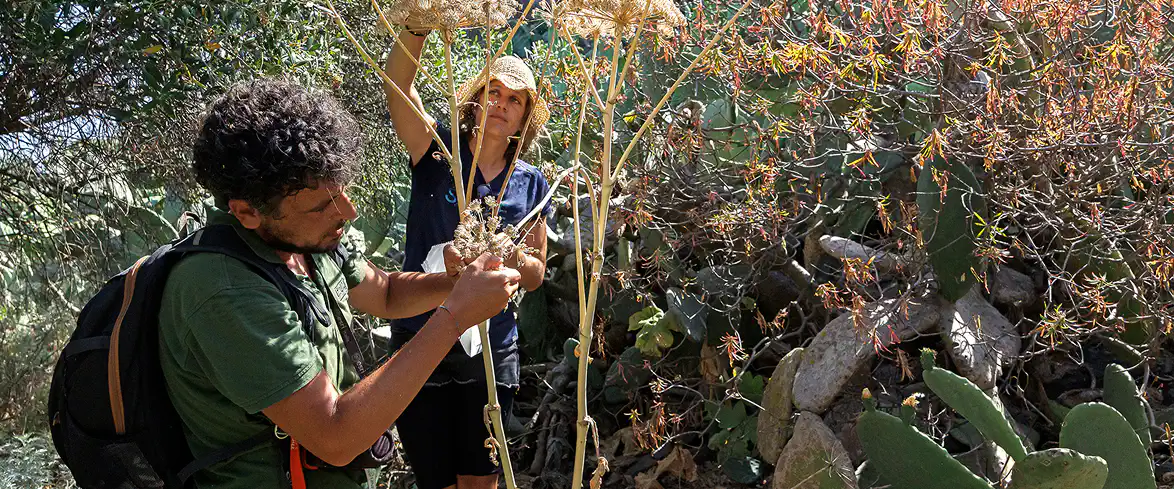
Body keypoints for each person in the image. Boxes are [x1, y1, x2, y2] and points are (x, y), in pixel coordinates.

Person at [158, 78, 522, 489]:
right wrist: (455, 316)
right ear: (247, 212)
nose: (346, 212)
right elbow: (335, 436)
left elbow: (383, 291)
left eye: (342, 191)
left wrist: (454, 281)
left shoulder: (303, 238)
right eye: (322, 205)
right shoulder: (223, 291)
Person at [383, 27, 553, 489]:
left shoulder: (532, 184)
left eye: (515, 100)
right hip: (422, 334)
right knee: (433, 479)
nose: (501, 103)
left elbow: (535, 274)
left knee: (481, 480)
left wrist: (502, 253)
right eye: (493, 91)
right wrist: (418, 25)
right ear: (475, 99)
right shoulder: (438, 151)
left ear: (525, 118)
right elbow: (397, 87)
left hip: (492, 347)